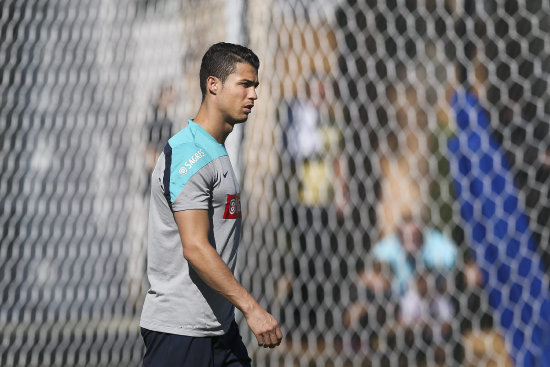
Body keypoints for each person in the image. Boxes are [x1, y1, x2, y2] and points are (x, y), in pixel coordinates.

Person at [140, 42, 283, 367]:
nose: (254, 95)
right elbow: (195, 248)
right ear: (213, 85)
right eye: (245, 84)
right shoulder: (190, 155)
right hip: (180, 333)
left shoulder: (214, 150)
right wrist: (252, 308)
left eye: (255, 86)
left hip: (219, 330)